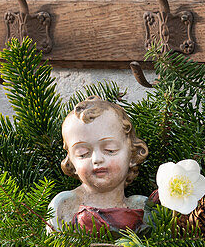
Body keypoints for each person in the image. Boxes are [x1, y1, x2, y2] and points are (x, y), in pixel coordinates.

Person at [48, 97, 149, 232]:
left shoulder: (142, 208)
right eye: (83, 154)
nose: (97, 159)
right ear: (71, 161)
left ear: (132, 154)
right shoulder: (64, 205)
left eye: (110, 150)